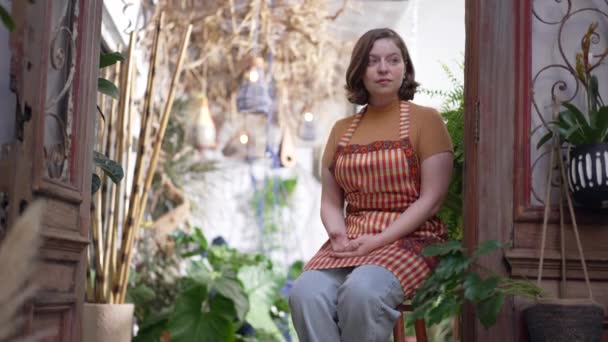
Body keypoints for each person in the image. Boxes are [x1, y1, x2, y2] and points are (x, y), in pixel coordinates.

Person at [288, 28, 454, 342]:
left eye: (393, 60)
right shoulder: (341, 129)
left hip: (411, 238)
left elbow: (431, 200)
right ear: (359, 71)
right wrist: (337, 234)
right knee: (305, 294)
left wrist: (378, 241)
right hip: (351, 240)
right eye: (373, 61)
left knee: (362, 292)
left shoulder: (427, 120)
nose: (383, 68)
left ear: (404, 68)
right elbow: (331, 201)